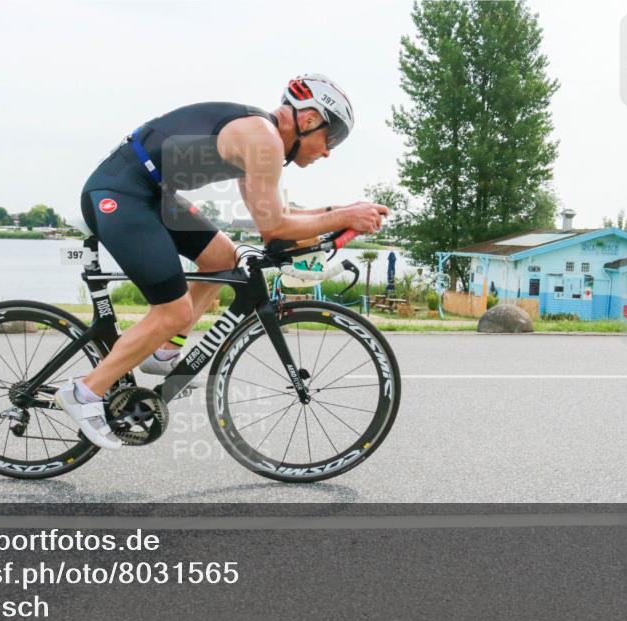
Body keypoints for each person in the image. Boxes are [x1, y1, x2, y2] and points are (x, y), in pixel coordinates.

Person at [56, 74, 388, 450]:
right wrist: (345, 216)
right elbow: (276, 224)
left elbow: (275, 223)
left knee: (223, 259)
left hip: (149, 194)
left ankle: (164, 353)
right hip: (121, 194)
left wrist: (346, 211)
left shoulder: (262, 143)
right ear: (309, 119)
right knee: (173, 311)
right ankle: (85, 393)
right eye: (331, 140)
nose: (327, 152)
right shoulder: (262, 138)